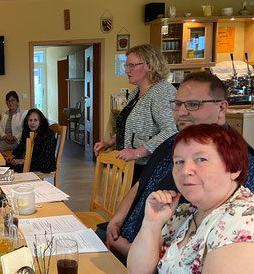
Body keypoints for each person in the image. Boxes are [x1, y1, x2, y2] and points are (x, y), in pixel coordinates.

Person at [105, 72, 254, 261]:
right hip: (122, 242)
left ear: (222, 108)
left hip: (150, 264)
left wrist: (130, 249)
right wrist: (116, 221)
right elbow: (142, 184)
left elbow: (202, 247)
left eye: (193, 104)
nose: (182, 112)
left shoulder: (236, 162)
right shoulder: (172, 142)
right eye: (177, 105)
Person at [127, 124, 254, 274]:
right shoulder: (185, 212)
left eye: (201, 159)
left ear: (233, 168)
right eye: (179, 161)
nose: (185, 170)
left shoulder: (243, 220)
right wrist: (151, 223)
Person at [93, 44, 177, 182]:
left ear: (150, 66)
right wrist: (109, 142)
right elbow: (128, 126)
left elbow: (171, 131)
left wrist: (138, 152)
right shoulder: (135, 93)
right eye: (126, 66)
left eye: (132, 66)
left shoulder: (162, 91)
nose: (127, 70)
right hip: (132, 165)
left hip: (150, 167)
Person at [5, 109, 56, 173]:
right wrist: (12, 156)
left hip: (41, 164)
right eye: (30, 120)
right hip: (27, 161)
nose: (32, 123)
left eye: (35, 120)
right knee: (3, 166)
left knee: (11, 171)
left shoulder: (48, 134)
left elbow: (43, 157)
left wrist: (22, 161)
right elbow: (20, 147)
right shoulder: (26, 131)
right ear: (27, 121)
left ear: (40, 122)